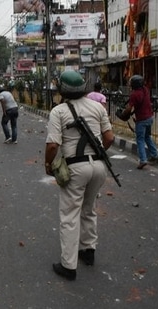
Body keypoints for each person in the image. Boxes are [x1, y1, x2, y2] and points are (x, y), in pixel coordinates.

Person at [44, 71, 114, 281]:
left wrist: (48, 164)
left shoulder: (58, 111)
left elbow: (53, 145)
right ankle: (88, 251)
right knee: (89, 208)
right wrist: (98, 152)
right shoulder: (96, 107)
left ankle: (68, 265)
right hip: (99, 167)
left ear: (62, 90)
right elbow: (109, 137)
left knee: (69, 215)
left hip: (75, 168)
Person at [119, 75, 158, 169]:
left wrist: (124, 114)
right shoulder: (145, 90)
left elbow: (129, 108)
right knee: (147, 137)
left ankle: (143, 160)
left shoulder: (134, 94)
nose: (129, 84)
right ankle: (154, 154)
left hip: (141, 119)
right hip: (149, 117)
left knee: (140, 139)